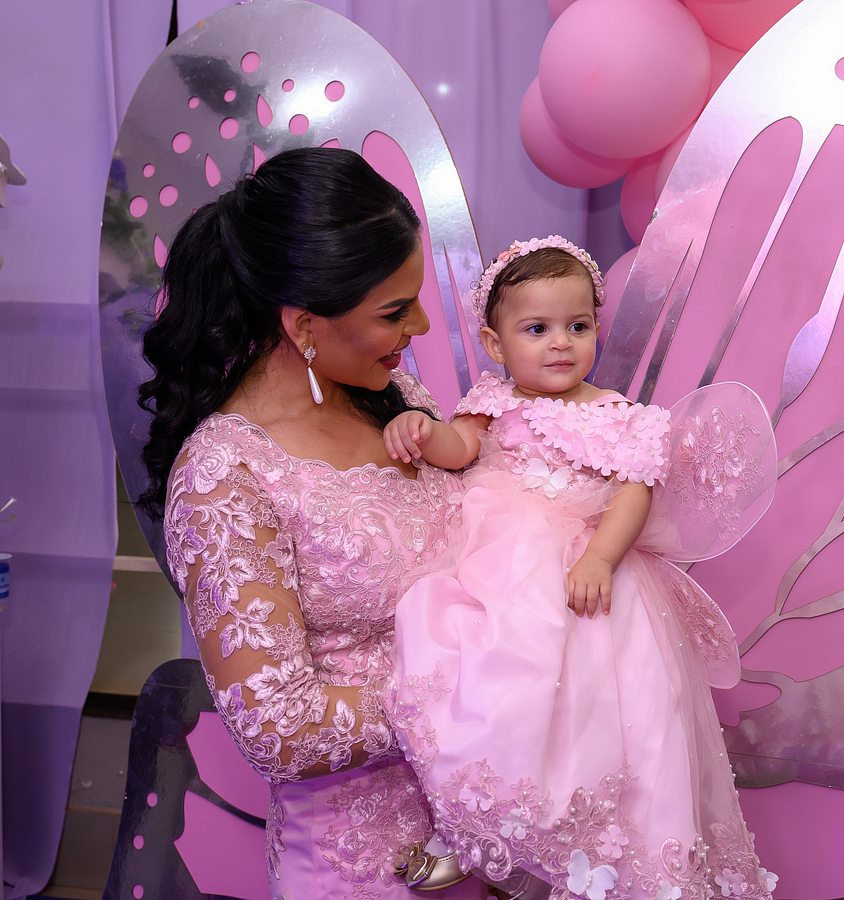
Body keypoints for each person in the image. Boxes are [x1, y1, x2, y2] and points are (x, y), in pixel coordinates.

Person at [382, 236, 780, 899]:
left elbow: (632, 495)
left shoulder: (620, 415)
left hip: (584, 579)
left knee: (602, 719)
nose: (560, 343)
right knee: (488, 676)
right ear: (495, 342)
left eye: (578, 326)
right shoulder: (491, 401)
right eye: (536, 329)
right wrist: (422, 430)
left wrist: (600, 556)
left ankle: (588, 849)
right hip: (497, 565)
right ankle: (478, 822)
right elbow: (460, 449)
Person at [138, 147, 488, 898]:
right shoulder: (224, 475)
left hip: (488, 834)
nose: (421, 325)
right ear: (302, 324)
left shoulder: (403, 404)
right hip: (363, 867)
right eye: (394, 312)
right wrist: (487, 688)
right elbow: (282, 728)